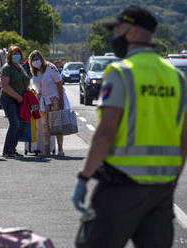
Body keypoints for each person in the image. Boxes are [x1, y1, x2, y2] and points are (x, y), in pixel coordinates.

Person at [72, 5, 187, 248]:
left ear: (132, 32)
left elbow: (105, 132)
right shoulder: (176, 77)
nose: (114, 36)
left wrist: (84, 177)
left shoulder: (121, 72)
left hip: (120, 187)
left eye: (118, 30)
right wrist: (171, 183)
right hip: (161, 188)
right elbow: (183, 139)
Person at [28, 50, 69, 156]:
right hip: (43, 100)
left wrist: (61, 100)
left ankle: (60, 149)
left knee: (56, 124)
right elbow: (36, 87)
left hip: (54, 99)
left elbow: (59, 83)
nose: (36, 61)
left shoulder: (50, 68)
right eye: (33, 60)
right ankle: (47, 150)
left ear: (41, 58)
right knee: (45, 125)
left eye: (37, 59)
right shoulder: (35, 72)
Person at [0, 45, 30, 158]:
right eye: (14, 53)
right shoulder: (7, 68)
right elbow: (5, 86)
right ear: (9, 55)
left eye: (18, 53)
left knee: (20, 124)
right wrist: (17, 97)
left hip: (20, 99)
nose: (16, 55)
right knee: (15, 123)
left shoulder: (20, 67)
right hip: (9, 99)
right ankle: (7, 150)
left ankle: (12, 148)